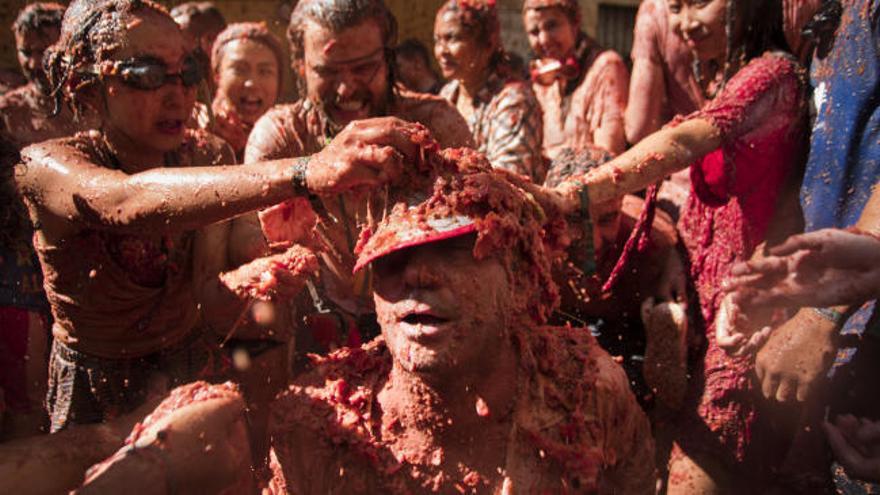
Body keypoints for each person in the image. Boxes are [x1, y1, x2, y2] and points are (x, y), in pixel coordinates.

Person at [18, 0, 424, 433]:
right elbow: (126, 200)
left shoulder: (207, 154)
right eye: (147, 75)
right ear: (85, 85)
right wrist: (309, 170)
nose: (178, 95)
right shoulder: (47, 166)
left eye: (186, 73)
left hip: (188, 374)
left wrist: (262, 277)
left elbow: (210, 302)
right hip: (95, 393)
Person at [266, 147, 656, 493]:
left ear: (518, 281)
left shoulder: (588, 392)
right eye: (391, 259)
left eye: (454, 250)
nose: (418, 275)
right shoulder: (322, 426)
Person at [544, 0, 808, 491]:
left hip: (740, 319)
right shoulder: (726, 81)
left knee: (699, 470)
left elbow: (682, 143)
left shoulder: (771, 76)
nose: (684, 24)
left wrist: (569, 196)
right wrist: (673, 258)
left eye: (699, 3)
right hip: (696, 298)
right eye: (677, 7)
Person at [246, 0, 473, 357]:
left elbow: (474, 255)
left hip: (424, 326)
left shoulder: (436, 126)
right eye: (328, 72)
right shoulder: (280, 140)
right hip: (317, 335)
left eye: (364, 68)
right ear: (300, 67)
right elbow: (259, 266)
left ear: (388, 59)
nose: (346, 90)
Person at [544, 147, 688, 411]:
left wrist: (670, 269)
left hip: (628, 327)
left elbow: (669, 240)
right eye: (575, 220)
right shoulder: (540, 245)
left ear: (621, 205)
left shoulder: (648, 242)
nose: (594, 241)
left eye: (608, 219)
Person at [434, 0, 545, 182]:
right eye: (437, 40)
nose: (441, 51)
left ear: (488, 44)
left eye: (452, 38)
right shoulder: (448, 94)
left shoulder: (513, 101)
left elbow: (507, 179)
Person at [522, 0, 629, 158]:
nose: (544, 39)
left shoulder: (605, 67)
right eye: (534, 32)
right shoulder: (542, 78)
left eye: (552, 26)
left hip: (591, 179)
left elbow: (608, 155)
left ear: (575, 23)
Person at [0, 2, 96, 148]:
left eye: (44, 52)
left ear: (70, 49)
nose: (33, 64)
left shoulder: (96, 104)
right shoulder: (8, 115)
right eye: (26, 52)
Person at [208, 22, 284, 161]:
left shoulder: (292, 138)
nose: (252, 83)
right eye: (239, 70)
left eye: (265, 71)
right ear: (217, 75)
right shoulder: (195, 136)